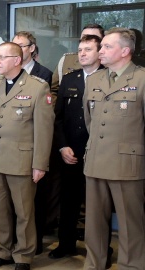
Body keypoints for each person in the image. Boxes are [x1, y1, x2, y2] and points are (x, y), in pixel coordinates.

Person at [0, 42, 54, 270]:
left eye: (3, 57)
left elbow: (44, 131)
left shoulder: (37, 87)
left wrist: (39, 164)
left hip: (22, 162)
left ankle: (23, 256)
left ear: (17, 60)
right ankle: (2, 251)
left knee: (24, 213)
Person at [82, 27, 145, 270]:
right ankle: (94, 264)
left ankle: (132, 266)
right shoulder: (95, 79)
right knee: (94, 223)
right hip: (96, 160)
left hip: (127, 165)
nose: (101, 51)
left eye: (107, 46)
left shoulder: (141, 79)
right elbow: (90, 120)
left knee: (131, 224)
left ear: (125, 51)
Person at [49, 34, 103, 259]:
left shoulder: (108, 78)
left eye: (87, 49)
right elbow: (58, 117)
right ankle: (66, 244)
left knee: (98, 207)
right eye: (80, 49)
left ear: (100, 53)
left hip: (99, 153)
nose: (81, 53)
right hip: (71, 151)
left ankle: (99, 250)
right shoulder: (70, 79)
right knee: (69, 202)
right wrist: (62, 147)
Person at [12, 30, 54, 255]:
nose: (17, 48)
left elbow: (44, 118)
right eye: (14, 44)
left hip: (31, 146)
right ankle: (10, 244)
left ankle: (32, 245)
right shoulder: (5, 77)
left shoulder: (44, 74)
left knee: (32, 203)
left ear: (32, 49)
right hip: (9, 149)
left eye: (22, 45)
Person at [51, 24, 105, 103]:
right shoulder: (67, 60)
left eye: (93, 37)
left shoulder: (108, 67)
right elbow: (54, 90)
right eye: (84, 36)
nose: (87, 39)